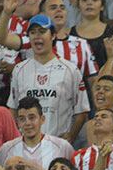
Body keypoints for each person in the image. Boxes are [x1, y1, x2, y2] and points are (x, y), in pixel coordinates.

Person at [7, 15, 90, 144]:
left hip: (57, 145)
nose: (37, 36)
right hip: (25, 144)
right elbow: (13, 108)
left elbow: (82, 110)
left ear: (53, 35)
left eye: (42, 31)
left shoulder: (70, 70)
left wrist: (71, 136)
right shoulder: (19, 69)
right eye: (33, 32)